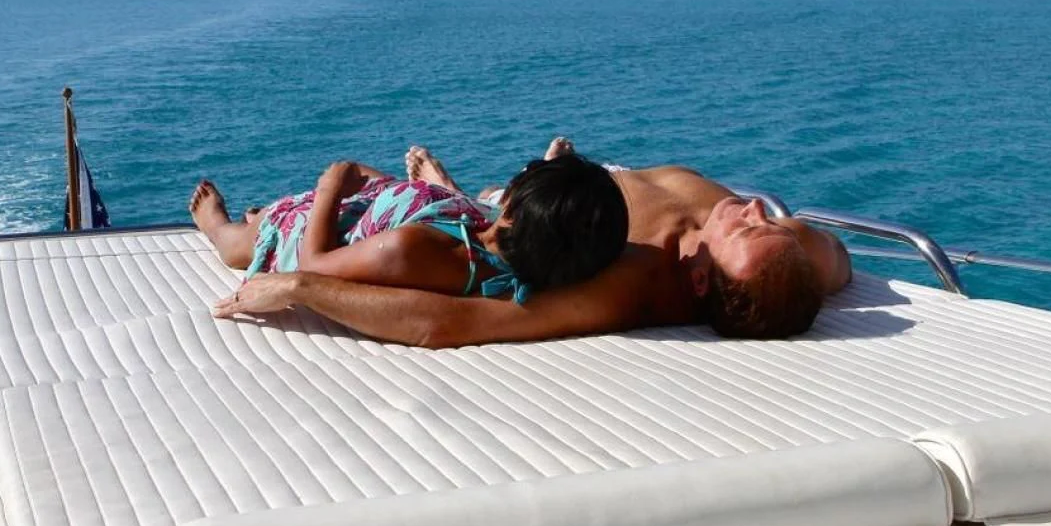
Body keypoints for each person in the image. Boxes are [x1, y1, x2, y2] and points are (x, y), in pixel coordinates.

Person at [212, 138, 852, 346]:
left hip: (552, 224)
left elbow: (457, 321)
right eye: (766, 223)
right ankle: (467, 191)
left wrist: (301, 285)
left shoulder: (632, 285)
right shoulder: (795, 257)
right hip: (577, 197)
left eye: (746, 232)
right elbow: (840, 262)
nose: (755, 213)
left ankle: (466, 197)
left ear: (703, 280)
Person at [189, 150, 629, 304]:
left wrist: (329, 190)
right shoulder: (512, 245)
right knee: (358, 174)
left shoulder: (419, 250)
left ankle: (221, 224)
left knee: (240, 242)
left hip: (304, 233)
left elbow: (314, 265)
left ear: (514, 214)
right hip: (378, 211)